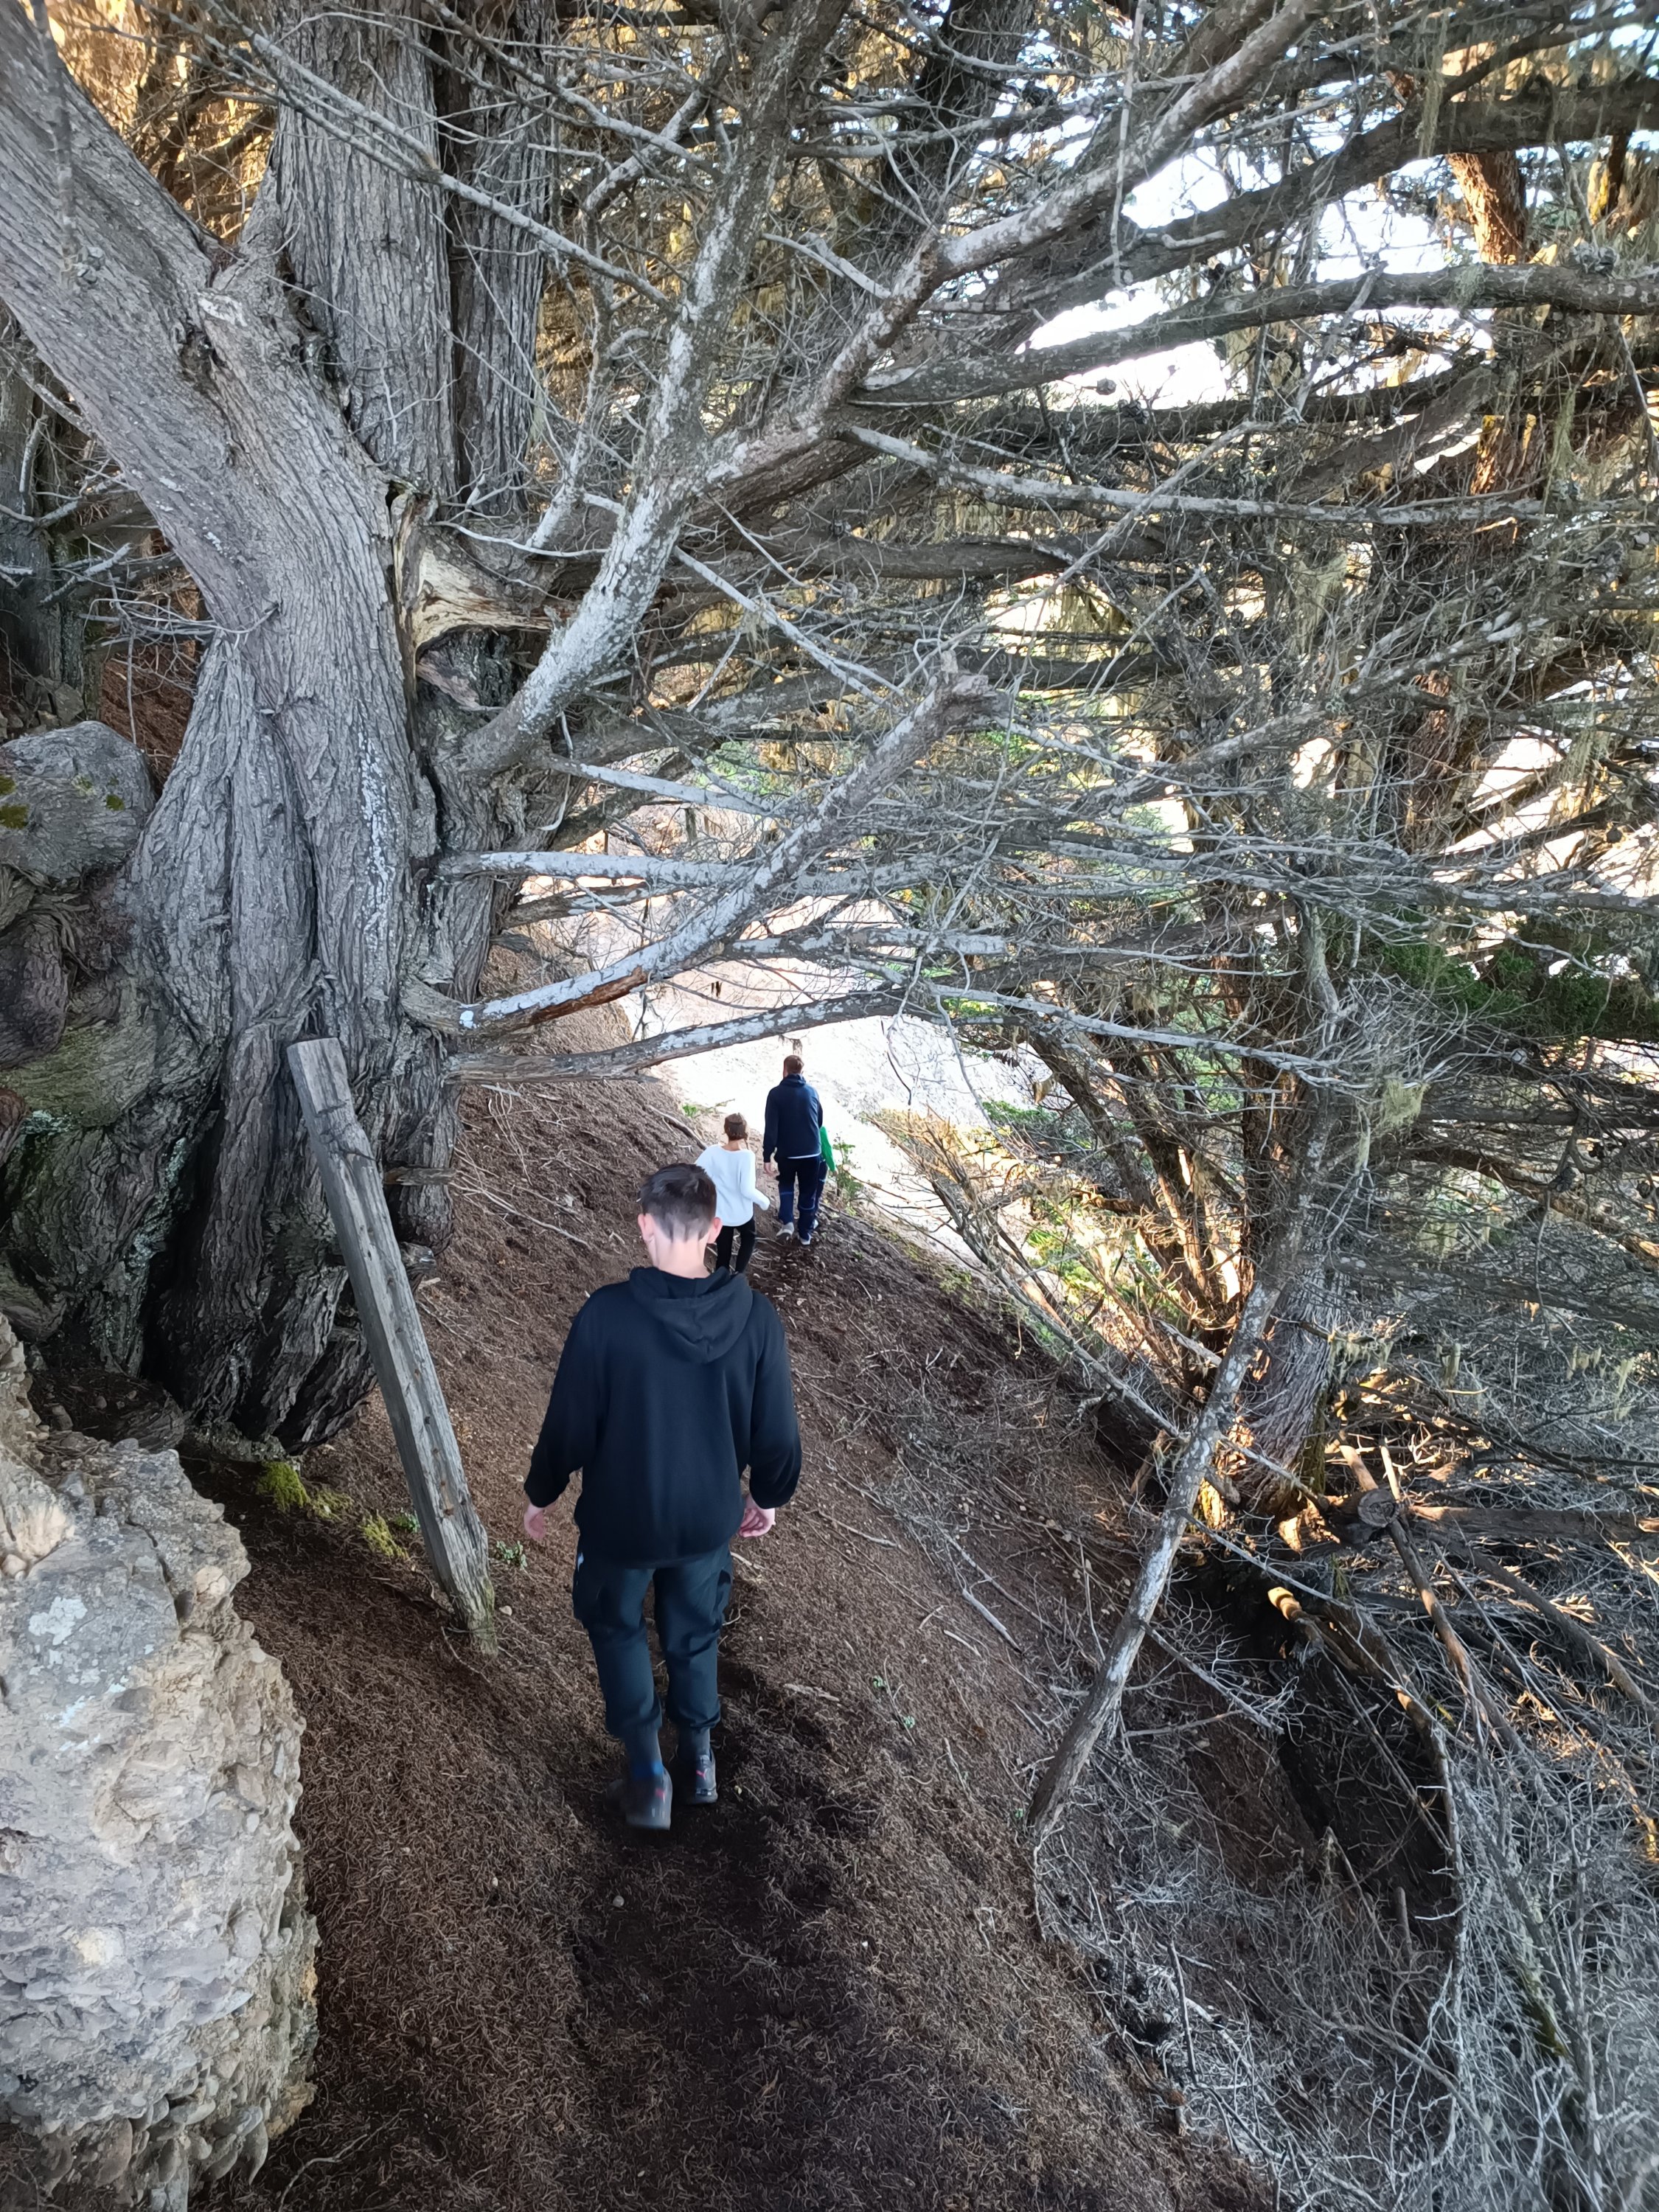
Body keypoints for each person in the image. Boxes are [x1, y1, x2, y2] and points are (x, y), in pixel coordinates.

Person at [521, 1163, 801, 1830]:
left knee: (616, 1622)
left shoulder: (607, 1316)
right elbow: (777, 1431)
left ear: (644, 1225)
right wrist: (767, 1495)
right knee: (695, 1631)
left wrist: (543, 1491)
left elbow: (570, 1421)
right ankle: (699, 1763)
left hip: (621, 1520)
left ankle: (649, 1780)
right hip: (707, 1520)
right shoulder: (757, 1320)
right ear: (715, 1229)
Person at [762, 1052, 827, 1248]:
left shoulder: (775, 1094)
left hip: (788, 1153)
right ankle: (805, 1234)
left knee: (786, 1184)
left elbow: (771, 1128)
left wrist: (767, 1155)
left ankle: (788, 1222)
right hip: (812, 1152)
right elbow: (819, 1121)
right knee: (808, 1192)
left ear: (785, 1071)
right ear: (801, 1072)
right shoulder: (812, 1092)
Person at [696, 1112, 768, 1275]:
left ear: (725, 1130)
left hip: (721, 1214)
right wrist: (764, 1201)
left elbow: (696, 1172)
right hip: (743, 1213)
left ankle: (720, 1280)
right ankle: (739, 1273)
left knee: (723, 1253)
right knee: (749, 1238)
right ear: (745, 1132)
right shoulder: (747, 1156)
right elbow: (747, 1189)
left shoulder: (713, 1152)